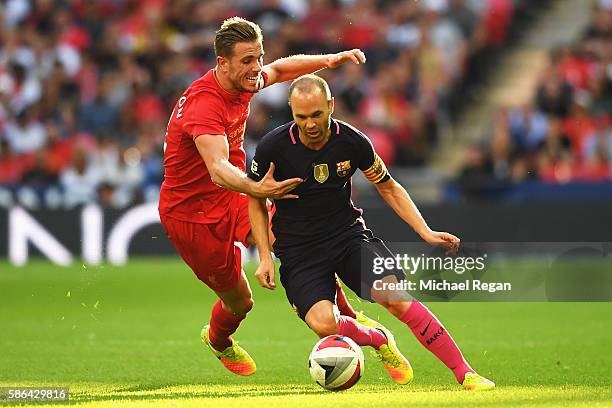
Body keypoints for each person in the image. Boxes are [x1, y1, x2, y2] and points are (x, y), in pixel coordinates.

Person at [247, 74, 495, 390]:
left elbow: (388, 187)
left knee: (395, 297)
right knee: (324, 324)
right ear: (292, 113)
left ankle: (465, 373)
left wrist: (426, 231)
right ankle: (377, 338)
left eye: (317, 114)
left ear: (330, 106)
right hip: (299, 251)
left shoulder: (352, 142)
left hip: (347, 237)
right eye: (301, 117)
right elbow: (254, 199)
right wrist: (265, 257)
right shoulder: (274, 147)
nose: (309, 124)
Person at [158, 17, 368, 377]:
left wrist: (329, 60)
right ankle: (218, 340)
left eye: (258, 57)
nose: (257, 68)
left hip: (234, 194)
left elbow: (281, 69)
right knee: (240, 301)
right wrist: (257, 188)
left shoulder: (244, 78)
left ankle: (343, 313)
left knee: (296, 239)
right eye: (247, 61)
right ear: (222, 63)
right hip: (192, 216)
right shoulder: (205, 104)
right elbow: (217, 167)